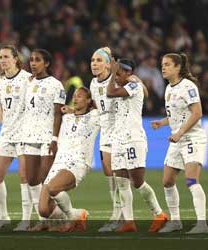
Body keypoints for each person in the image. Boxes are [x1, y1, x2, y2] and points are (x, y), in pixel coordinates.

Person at [107, 58, 168, 232]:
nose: (116, 77)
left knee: (137, 181)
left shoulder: (133, 86)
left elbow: (110, 92)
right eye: (116, 73)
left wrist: (112, 73)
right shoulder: (128, 85)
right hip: (118, 139)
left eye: (119, 73)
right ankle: (129, 222)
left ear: (128, 73)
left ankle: (159, 214)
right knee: (121, 180)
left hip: (134, 139)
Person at [152, 53, 208, 234]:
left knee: (191, 179)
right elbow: (176, 114)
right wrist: (162, 122)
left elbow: (197, 113)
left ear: (178, 67)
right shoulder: (169, 88)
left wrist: (180, 132)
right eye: (162, 64)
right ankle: (176, 221)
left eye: (167, 64)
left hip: (192, 138)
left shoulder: (188, 86)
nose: (163, 67)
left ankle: (201, 223)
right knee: (167, 181)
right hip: (177, 139)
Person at [0, 45, 37, 231]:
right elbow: (2, 107)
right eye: (0, 57)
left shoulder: (28, 79)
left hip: (25, 133)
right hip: (7, 133)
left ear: (16, 59)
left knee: (24, 176)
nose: (2, 60)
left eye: (6, 57)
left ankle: (25, 220)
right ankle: (3, 216)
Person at [38, 87, 99, 232]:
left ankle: (71, 219)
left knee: (53, 188)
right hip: (59, 162)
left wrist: (76, 108)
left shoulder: (94, 117)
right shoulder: (66, 118)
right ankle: (78, 215)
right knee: (43, 210)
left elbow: (102, 108)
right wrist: (71, 111)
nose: (75, 98)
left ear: (88, 100)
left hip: (77, 163)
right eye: (74, 96)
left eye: (80, 96)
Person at [20, 49, 66, 231]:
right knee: (31, 180)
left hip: (48, 137)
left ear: (46, 63)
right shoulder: (27, 83)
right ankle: (49, 218)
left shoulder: (56, 85)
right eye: (31, 60)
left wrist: (55, 138)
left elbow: (58, 114)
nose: (33, 63)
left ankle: (64, 215)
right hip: (29, 135)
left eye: (37, 60)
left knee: (45, 180)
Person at [88, 47, 123, 232]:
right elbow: (95, 105)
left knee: (125, 176)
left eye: (99, 60)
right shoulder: (93, 83)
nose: (94, 63)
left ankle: (122, 214)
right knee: (108, 172)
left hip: (120, 130)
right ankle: (118, 213)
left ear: (108, 64)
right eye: (93, 60)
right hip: (105, 131)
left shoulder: (117, 79)